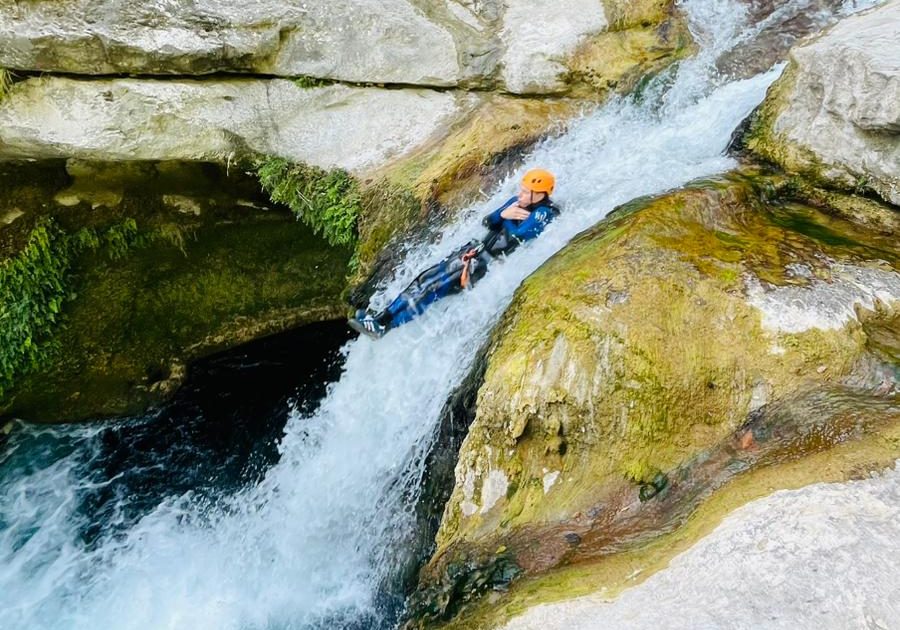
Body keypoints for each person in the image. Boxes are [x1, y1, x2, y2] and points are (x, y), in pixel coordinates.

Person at [349, 168, 559, 338]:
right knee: (423, 280)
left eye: (525, 192)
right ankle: (380, 318)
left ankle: (386, 327)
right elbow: (488, 222)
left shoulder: (544, 213)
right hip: (473, 252)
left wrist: (508, 219)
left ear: (539, 195)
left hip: (483, 265)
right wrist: (504, 214)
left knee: (431, 289)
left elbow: (519, 237)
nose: (520, 194)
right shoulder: (515, 203)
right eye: (522, 190)